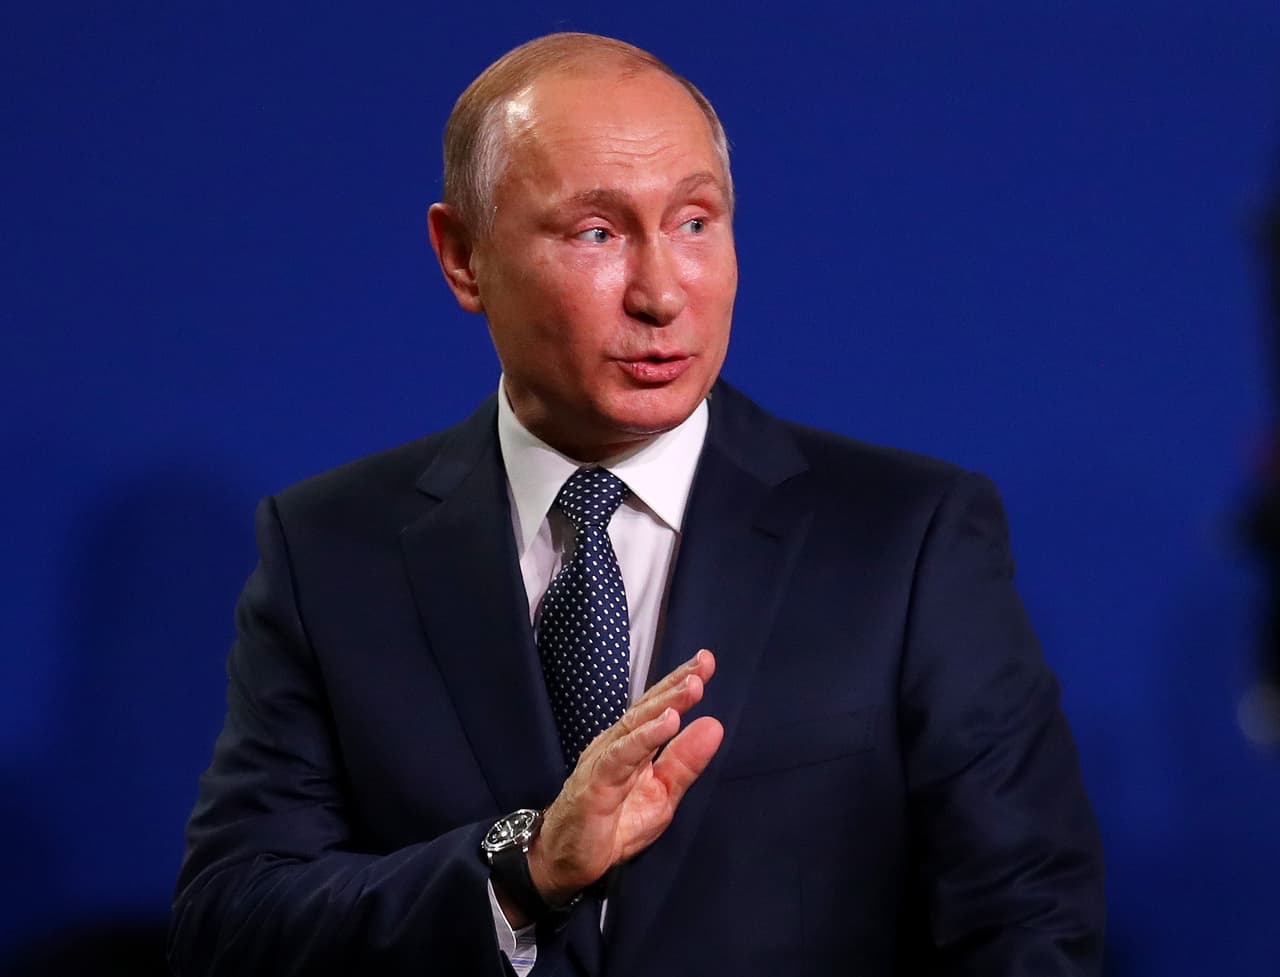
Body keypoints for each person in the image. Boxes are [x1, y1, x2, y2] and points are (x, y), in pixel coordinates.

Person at [169, 32, 1105, 977]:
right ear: (463, 257)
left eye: (696, 221)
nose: (663, 293)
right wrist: (523, 872)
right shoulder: (331, 550)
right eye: (597, 233)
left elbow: (1029, 924)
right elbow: (233, 926)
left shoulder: (907, 540)